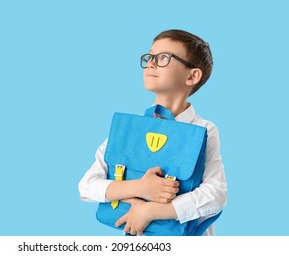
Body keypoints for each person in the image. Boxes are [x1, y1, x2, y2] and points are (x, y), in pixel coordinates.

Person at [78, 29, 227, 236]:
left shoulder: (203, 130)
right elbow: (86, 187)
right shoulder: (130, 128)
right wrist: (140, 188)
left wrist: (151, 211)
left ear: (192, 76)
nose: (151, 63)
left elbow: (216, 194)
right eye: (149, 56)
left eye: (164, 57)